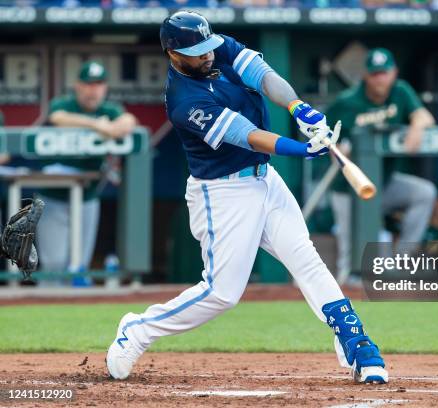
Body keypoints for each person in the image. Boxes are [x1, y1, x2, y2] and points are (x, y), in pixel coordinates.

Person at [106, 10, 388, 384]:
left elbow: (265, 77)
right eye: (197, 51)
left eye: (208, 47)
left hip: (264, 180)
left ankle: (356, 343)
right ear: (173, 54)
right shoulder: (184, 101)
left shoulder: (217, 48)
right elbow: (248, 134)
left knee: (305, 259)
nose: (207, 55)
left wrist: (298, 108)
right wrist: (300, 150)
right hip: (223, 193)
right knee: (222, 293)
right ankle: (139, 329)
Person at [326, 48, 436, 283]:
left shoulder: (401, 91)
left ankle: (402, 263)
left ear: (393, 73)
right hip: (350, 188)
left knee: (424, 193)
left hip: (384, 182)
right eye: (375, 74)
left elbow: (425, 116)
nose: (380, 79)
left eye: (384, 73)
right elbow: (321, 136)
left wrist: (417, 125)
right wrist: (336, 148)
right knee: (351, 254)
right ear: (365, 75)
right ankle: (349, 286)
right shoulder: (347, 101)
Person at [36, 61, 137, 273]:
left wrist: (115, 126)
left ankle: (73, 305)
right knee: (53, 265)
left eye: (98, 84)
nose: (93, 90)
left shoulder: (109, 109)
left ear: (105, 87)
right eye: (88, 84)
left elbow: (128, 121)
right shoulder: (63, 104)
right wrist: (96, 125)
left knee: (79, 265)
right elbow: (57, 117)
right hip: (52, 196)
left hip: (87, 197)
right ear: (78, 86)